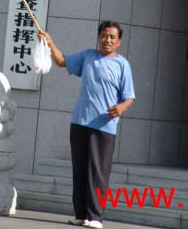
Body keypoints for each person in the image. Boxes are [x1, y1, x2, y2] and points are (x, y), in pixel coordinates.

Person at [38, 21, 135, 229]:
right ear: (99, 37)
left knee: (98, 172)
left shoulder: (122, 64)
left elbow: (129, 97)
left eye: (112, 37)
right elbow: (62, 61)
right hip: (80, 122)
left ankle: (96, 217)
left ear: (119, 42)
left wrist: (121, 107)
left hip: (104, 125)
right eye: (104, 35)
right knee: (80, 169)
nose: (108, 40)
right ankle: (81, 214)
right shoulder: (88, 56)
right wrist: (49, 42)